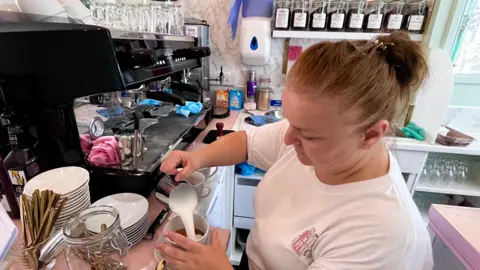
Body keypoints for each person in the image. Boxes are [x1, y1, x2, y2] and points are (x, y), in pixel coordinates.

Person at [156, 31, 433, 270]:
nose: (288, 138)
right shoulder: (312, 137)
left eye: (309, 136)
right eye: (290, 122)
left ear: (371, 135)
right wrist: (197, 157)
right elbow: (247, 143)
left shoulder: (381, 233)